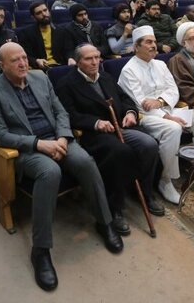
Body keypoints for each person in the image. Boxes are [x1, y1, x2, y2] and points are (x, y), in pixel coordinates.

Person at [0, 43, 123, 291]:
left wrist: (62, 137)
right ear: (1, 65)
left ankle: (104, 222)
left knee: (86, 162)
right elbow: (0, 135)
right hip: (27, 149)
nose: (23, 63)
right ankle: (41, 251)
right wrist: (39, 144)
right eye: (15, 60)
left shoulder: (40, 77)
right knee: (50, 172)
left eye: (25, 57)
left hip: (58, 139)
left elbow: (60, 111)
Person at [57, 45, 165, 231]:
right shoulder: (66, 84)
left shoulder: (106, 77)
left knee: (149, 145)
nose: (95, 62)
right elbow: (68, 114)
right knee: (120, 152)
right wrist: (95, 123)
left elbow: (125, 99)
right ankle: (115, 207)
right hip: (94, 134)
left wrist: (131, 113)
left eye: (97, 57)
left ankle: (144, 193)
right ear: (78, 62)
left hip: (120, 126)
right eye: (88, 59)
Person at [118, 26, 194, 204]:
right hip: (146, 117)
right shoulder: (128, 70)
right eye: (148, 42)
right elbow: (140, 103)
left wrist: (160, 102)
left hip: (168, 109)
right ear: (137, 46)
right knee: (174, 128)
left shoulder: (161, 64)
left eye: (154, 41)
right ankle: (165, 180)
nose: (154, 45)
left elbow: (173, 90)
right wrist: (166, 116)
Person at [18, 1, 65, 70]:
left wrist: (70, 58)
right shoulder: (26, 33)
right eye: (39, 13)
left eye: (45, 10)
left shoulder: (61, 30)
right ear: (33, 17)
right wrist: (36, 61)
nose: (44, 14)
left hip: (60, 65)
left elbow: (68, 50)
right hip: (40, 68)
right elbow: (25, 55)